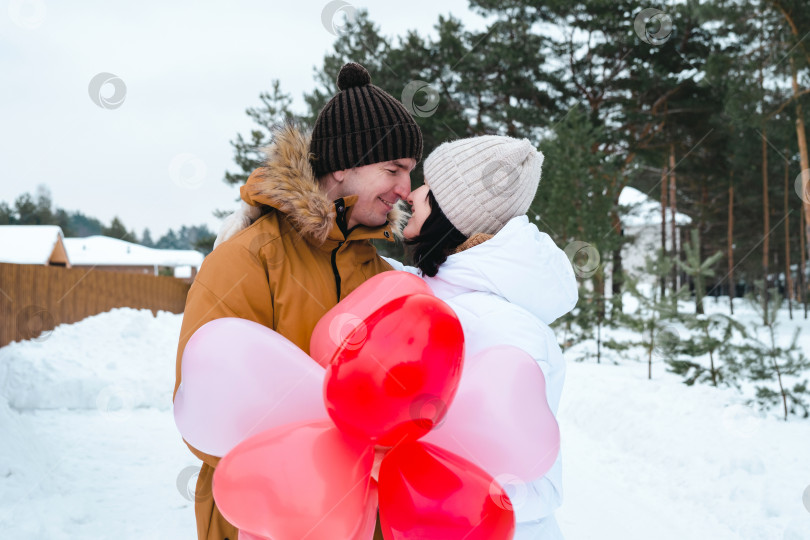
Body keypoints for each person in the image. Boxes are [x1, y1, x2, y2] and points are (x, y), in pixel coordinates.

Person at [174, 62, 423, 540]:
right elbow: (204, 413)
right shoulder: (247, 260)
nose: (405, 190)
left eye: (409, 173)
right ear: (345, 164)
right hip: (260, 519)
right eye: (393, 169)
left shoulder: (384, 278)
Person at [389, 135, 578, 539]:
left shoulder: (510, 330)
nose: (412, 192)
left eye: (427, 188)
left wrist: (419, 475)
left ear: (452, 214)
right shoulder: (431, 286)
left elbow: (529, 484)